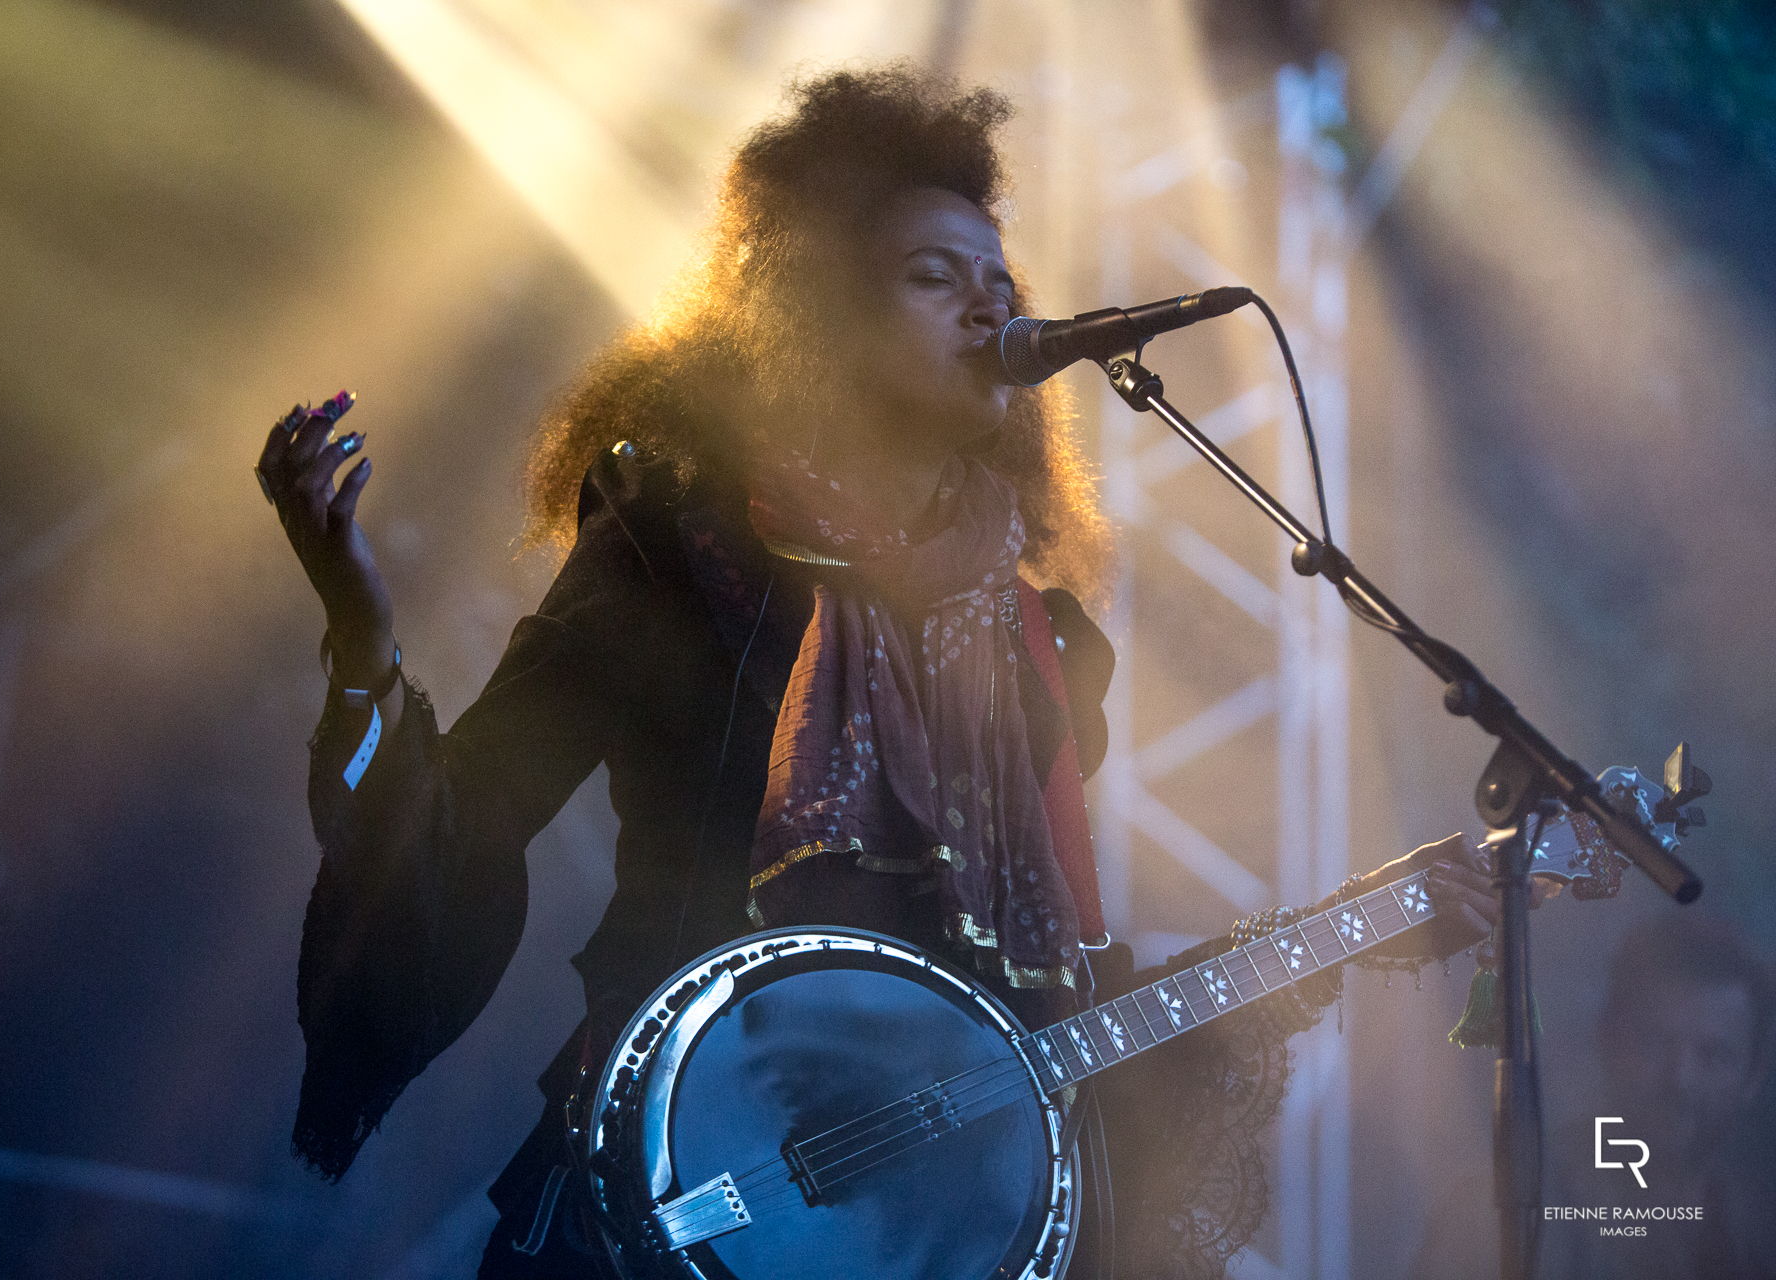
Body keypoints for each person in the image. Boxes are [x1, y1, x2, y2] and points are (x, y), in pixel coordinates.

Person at [255, 64, 1504, 1279]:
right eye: (931, 277)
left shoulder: (1048, 642)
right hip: (682, 1187)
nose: (986, 308)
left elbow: (1047, 1000)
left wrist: (1369, 922)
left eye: (998, 281)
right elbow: (462, 826)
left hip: (933, 1226)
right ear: (824, 315)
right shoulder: (677, 551)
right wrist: (362, 637)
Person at [1412, 912, 1776, 1279]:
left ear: (1753, 1075)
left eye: (1713, 1055)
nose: (1680, 1078)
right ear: (1609, 1040)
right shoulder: (1499, 1212)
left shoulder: (1760, 1229)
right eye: (1654, 1042)